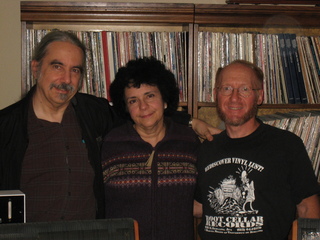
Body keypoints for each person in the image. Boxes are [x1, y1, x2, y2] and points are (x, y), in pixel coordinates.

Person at [0, 30, 218, 223]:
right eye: (57, 66)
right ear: (36, 68)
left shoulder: (93, 113)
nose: (66, 78)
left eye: (75, 70)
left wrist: (191, 122)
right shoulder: (6, 126)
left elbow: (141, 113)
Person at [194, 60, 320, 240]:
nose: (234, 97)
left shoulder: (286, 145)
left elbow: (308, 208)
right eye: (226, 88)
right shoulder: (206, 149)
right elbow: (199, 207)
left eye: (245, 89)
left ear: (259, 96)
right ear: (216, 95)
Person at [101, 57, 200, 240]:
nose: (143, 106)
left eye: (150, 95)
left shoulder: (188, 141)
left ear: (164, 98)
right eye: (133, 101)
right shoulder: (111, 145)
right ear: (126, 107)